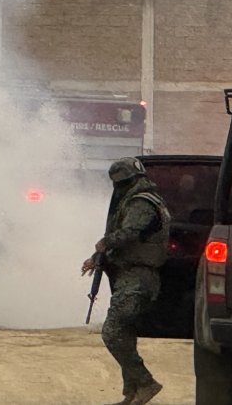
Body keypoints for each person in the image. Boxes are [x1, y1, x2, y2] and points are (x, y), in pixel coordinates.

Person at [81, 157, 172, 405]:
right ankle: (132, 393)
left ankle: (145, 382)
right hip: (131, 275)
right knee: (125, 333)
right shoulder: (141, 200)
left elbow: (130, 233)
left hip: (138, 277)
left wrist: (106, 242)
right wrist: (97, 258)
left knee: (112, 332)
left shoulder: (141, 202)